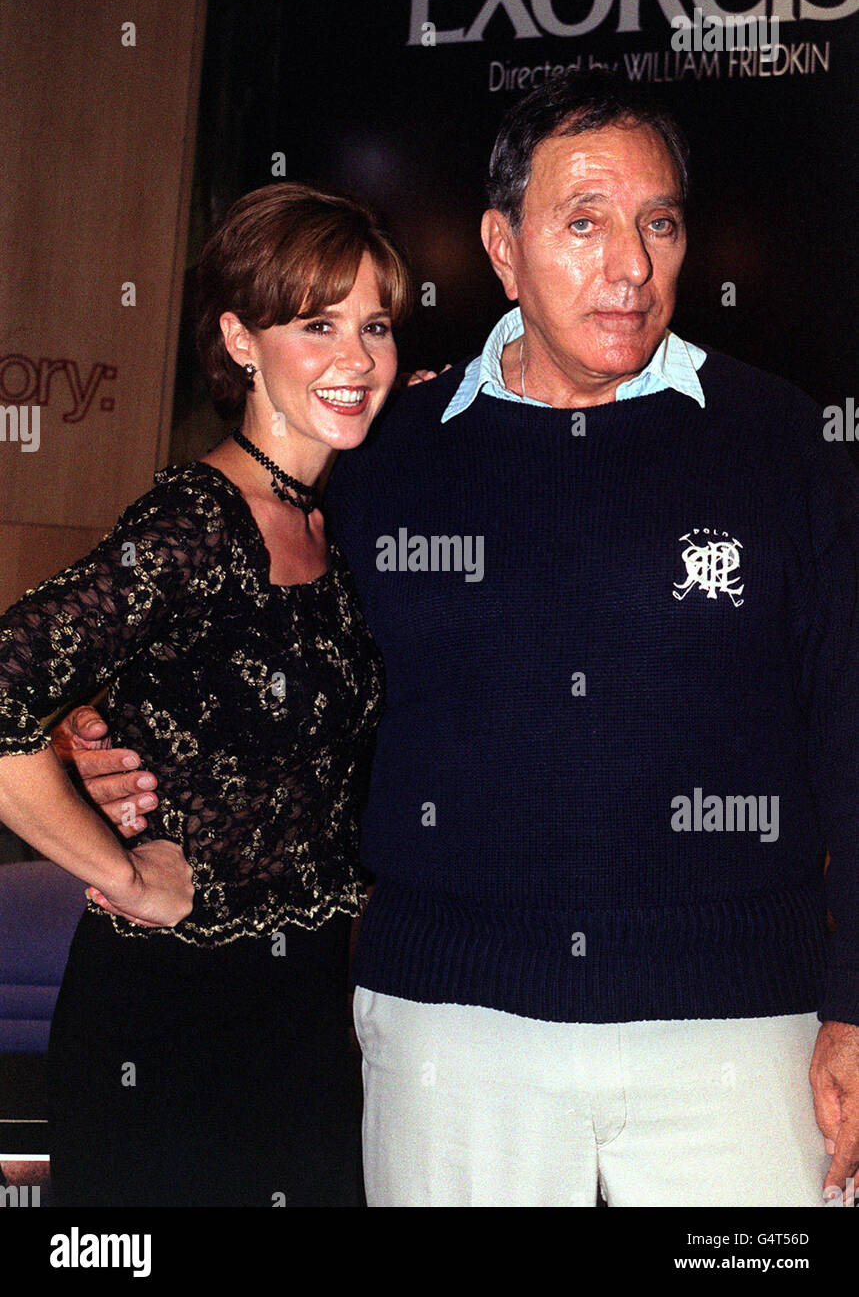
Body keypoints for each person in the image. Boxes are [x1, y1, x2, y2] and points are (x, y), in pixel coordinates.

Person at [66, 73, 859, 1208]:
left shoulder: (778, 439)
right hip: (452, 1038)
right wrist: (121, 752)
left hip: (742, 1037)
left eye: (659, 222)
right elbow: (285, 684)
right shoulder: (390, 460)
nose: (629, 265)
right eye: (582, 222)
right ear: (501, 245)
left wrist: (854, 1006)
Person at [0, 181, 409, 1206]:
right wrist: (123, 872)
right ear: (241, 339)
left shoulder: (328, 516)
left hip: (305, 1014)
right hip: (167, 1021)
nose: (356, 358)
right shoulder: (197, 523)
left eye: (374, 324)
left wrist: (82, 740)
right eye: (316, 324)